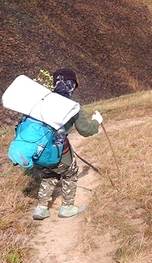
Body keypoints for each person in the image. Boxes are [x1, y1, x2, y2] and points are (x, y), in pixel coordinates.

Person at [32, 68, 103, 220]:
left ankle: (41, 208)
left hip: (38, 152)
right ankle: (67, 207)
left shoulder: (42, 101)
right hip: (59, 152)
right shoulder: (72, 106)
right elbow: (86, 130)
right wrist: (97, 121)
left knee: (49, 174)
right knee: (70, 172)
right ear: (71, 85)